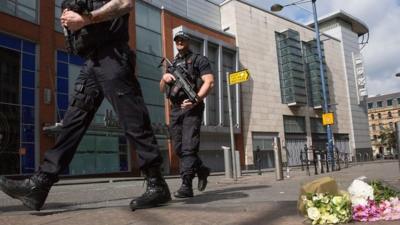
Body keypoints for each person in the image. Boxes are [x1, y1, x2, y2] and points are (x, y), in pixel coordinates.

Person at [0, 0, 171, 211]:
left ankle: (157, 184)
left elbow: (125, 4)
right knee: (71, 124)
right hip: (92, 63)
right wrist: (68, 18)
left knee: (133, 121)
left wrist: (85, 19)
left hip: (113, 57)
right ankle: (40, 185)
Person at [160, 31, 214, 198]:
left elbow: (209, 82)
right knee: (178, 148)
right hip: (176, 109)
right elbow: (162, 89)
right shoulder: (172, 64)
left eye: (183, 39)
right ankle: (202, 169)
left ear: (188, 42)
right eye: (177, 40)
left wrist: (196, 99)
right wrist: (165, 77)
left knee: (189, 146)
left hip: (192, 107)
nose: (180, 42)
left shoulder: (199, 59)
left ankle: (186, 185)